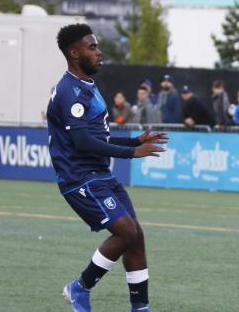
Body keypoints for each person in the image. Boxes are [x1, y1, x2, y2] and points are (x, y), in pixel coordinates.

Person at [46, 23, 168, 312]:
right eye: (92, 47)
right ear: (74, 53)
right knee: (125, 232)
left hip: (98, 174)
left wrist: (134, 139)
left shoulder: (86, 85)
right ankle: (80, 287)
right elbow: (83, 142)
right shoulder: (70, 91)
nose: (99, 53)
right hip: (79, 178)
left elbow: (97, 137)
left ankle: (140, 308)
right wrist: (132, 152)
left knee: (135, 235)